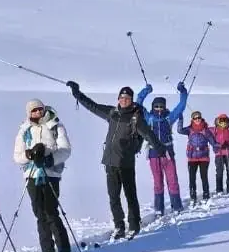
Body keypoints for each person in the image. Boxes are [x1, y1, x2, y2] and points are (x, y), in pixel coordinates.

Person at [65, 82, 166, 239]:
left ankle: (134, 225)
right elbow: (93, 106)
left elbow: (148, 134)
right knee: (113, 197)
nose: (124, 100)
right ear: (118, 98)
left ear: (131, 100)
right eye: (122, 97)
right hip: (110, 162)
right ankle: (119, 226)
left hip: (126, 163)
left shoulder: (136, 118)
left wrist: (159, 148)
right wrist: (77, 94)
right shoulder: (112, 113)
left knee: (130, 195)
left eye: (127, 98)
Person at [13, 99, 73, 252]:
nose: (38, 112)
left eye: (40, 109)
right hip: (32, 174)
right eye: (34, 110)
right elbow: (17, 156)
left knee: (51, 211)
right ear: (29, 113)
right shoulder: (24, 130)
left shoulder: (55, 125)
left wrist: (49, 159)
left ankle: (64, 247)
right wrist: (29, 155)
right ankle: (47, 250)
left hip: (51, 173)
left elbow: (65, 150)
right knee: (39, 212)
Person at [135, 82, 189, 215]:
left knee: (173, 181)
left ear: (165, 107)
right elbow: (138, 103)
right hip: (153, 154)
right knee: (158, 183)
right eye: (156, 106)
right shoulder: (148, 117)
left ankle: (177, 206)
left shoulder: (169, 117)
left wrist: (182, 90)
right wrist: (146, 90)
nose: (159, 109)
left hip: (168, 154)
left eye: (161, 106)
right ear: (153, 107)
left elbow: (182, 105)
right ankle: (159, 209)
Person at [177, 110, 217, 205]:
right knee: (192, 178)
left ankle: (206, 195)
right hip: (192, 157)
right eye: (195, 118)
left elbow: (213, 142)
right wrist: (180, 119)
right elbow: (179, 130)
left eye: (199, 117)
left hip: (204, 157)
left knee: (204, 177)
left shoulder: (206, 130)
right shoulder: (189, 129)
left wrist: (218, 147)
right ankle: (193, 196)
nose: (197, 119)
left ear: (201, 118)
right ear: (192, 119)